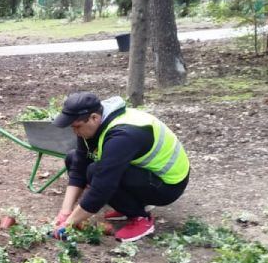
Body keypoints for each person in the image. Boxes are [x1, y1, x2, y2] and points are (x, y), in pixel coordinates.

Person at [51, 92, 190, 242]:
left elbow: (101, 187)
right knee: (73, 158)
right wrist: (65, 212)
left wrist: (68, 224)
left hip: (167, 186)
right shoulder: (93, 125)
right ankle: (128, 204)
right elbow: (79, 165)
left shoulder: (123, 135)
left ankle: (141, 218)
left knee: (96, 172)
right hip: (144, 173)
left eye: (77, 127)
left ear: (94, 118)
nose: (75, 132)